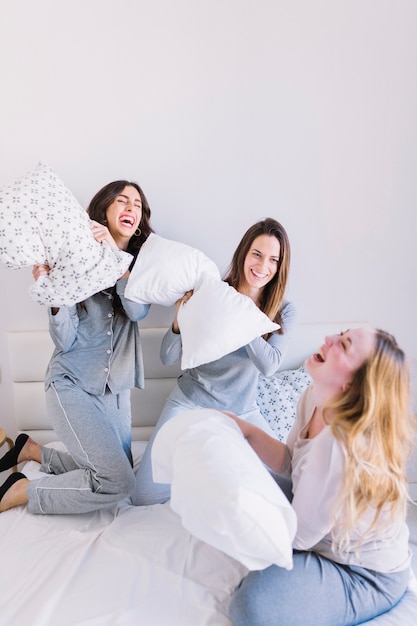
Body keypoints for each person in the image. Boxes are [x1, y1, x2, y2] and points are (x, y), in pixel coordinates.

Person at [227, 327, 413, 626]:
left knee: (250, 607)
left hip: (365, 574)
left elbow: (298, 536)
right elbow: (291, 463)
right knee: (236, 472)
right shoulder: (313, 397)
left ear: (354, 383)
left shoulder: (341, 446)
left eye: (344, 344)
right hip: (320, 533)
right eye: (340, 333)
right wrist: (243, 429)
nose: (329, 339)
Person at [0, 180, 154, 515]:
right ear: (104, 210)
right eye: (122, 201)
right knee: (118, 483)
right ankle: (25, 489)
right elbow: (65, 340)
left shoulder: (142, 267)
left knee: (119, 476)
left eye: (137, 205)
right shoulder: (73, 259)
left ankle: (34, 452)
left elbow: (137, 310)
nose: (130, 208)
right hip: (71, 384)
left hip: (115, 391)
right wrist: (52, 295)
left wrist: (114, 258)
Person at [132, 217, 296, 506]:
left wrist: (240, 315)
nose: (262, 266)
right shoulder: (212, 292)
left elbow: (270, 365)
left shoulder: (283, 311)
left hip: (243, 411)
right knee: (144, 496)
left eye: (273, 259)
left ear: (280, 266)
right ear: (244, 253)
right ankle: (206, 473)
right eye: (257, 254)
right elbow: (167, 356)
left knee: (291, 490)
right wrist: (179, 317)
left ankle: (220, 471)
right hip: (190, 402)